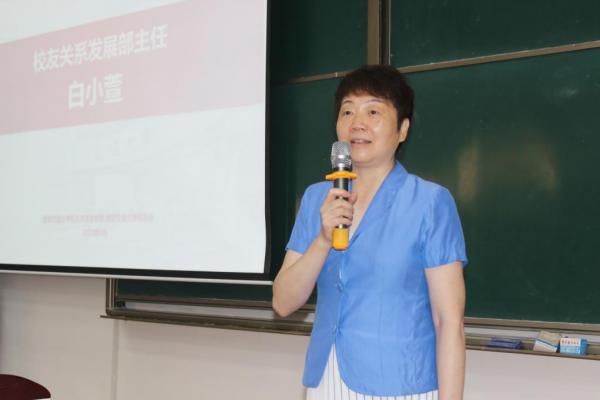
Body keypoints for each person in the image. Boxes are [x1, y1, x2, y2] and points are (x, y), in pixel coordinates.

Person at [272, 65, 467, 400]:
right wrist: (322, 240)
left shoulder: (430, 202)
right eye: (347, 111)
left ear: (402, 129)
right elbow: (283, 303)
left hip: (401, 385)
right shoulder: (317, 198)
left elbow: (448, 322)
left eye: (373, 111)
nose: (357, 123)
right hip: (326, 381)